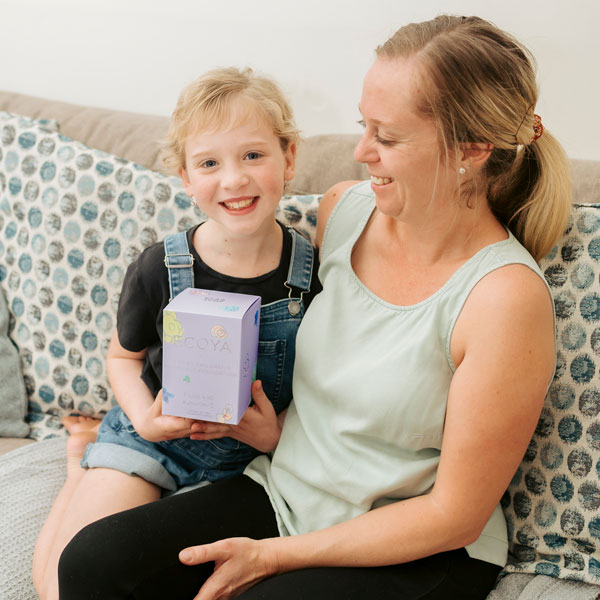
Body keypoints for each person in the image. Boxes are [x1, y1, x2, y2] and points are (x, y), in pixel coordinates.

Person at [57, 15, 572, 600]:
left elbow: (455, 515)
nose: (361, 151)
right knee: (91, 564)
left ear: (472, 150)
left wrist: (275, 557)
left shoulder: (505, 299)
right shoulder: (344, 212)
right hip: (285, 494)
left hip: (417, 547)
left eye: (388, 136)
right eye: (364, 125)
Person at [32, 67, 321, 600]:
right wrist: (145, 417)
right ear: (186, 178)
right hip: (151, 440)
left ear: (289, 157)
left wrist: (276, 436)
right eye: (210, 163)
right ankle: (80, 468)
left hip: (255, 465)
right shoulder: (160, 267)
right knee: (59, 588)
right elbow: (123, 357)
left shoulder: (316, 272)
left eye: (253, 155)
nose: (233, 180)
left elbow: (327, 389)